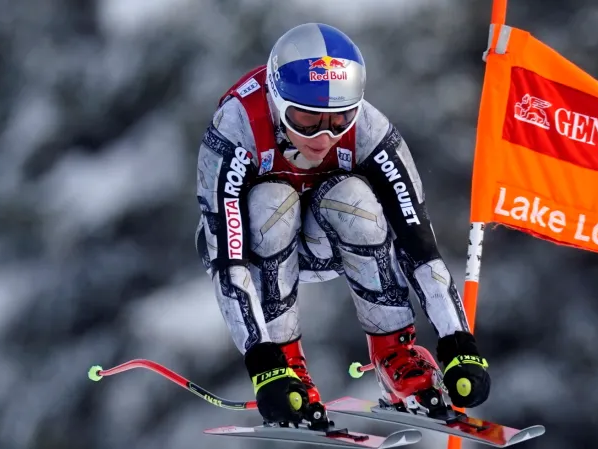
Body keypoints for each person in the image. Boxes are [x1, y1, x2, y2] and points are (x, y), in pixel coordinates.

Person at [194, 22, 490, 428]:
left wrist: (458, 343)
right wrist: (263, 361)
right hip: (251, 247)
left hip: (327, 244)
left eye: (339, 120)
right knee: (271, 200)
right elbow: (227, 260)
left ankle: (395, 355)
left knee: (353, 195)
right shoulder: (237, 126)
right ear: (277, 100)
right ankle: (288, 365)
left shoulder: (370, 130)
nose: (322, 137)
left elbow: (419, 245)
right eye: (305, 120)